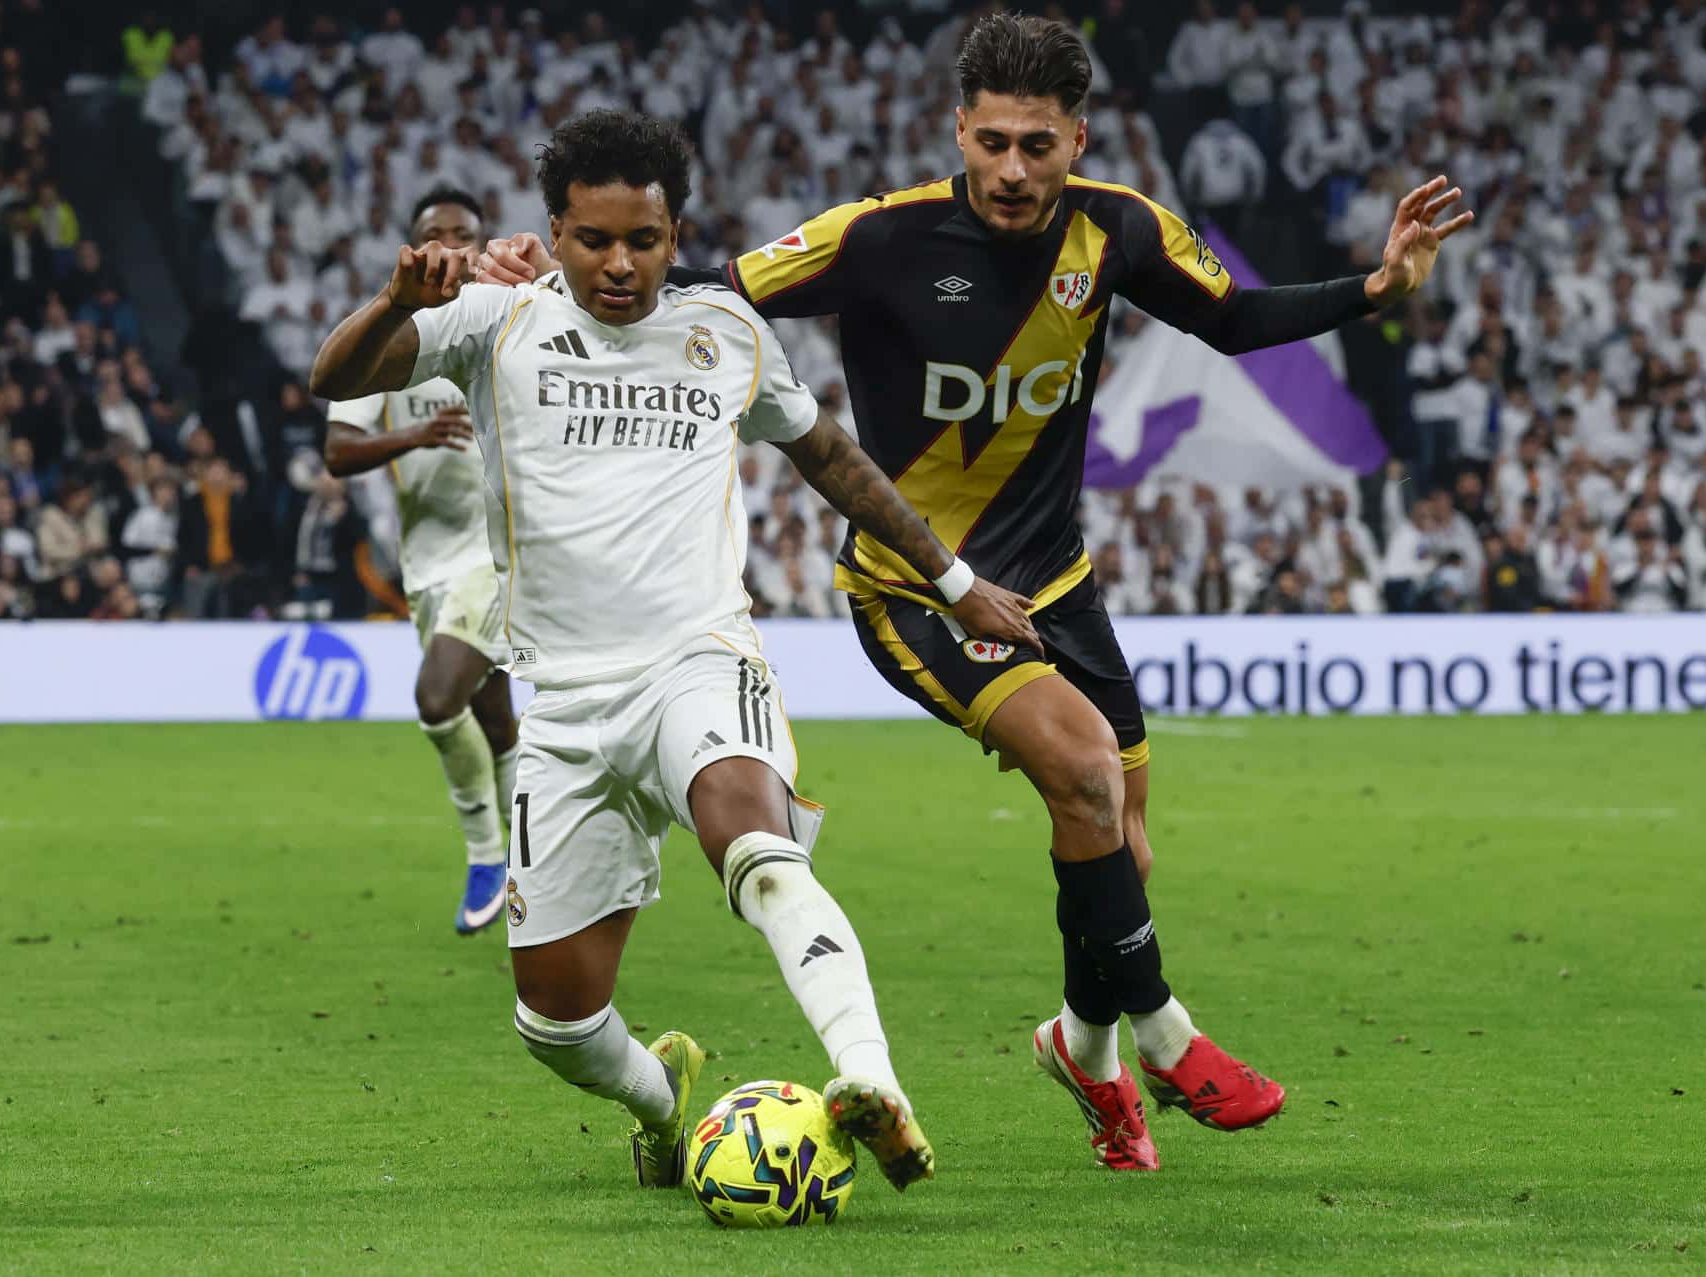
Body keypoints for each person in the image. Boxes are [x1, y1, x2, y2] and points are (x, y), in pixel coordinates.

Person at [480, 13, 1472, 1173]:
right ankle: (1165, 1035)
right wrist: (538, 271)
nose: (1011, 168)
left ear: (1076, 139)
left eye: (1037, 146)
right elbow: (693, 285)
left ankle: (1081, 1044)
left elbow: (1234, 322)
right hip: (924, 589)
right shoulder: (881, 238)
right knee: (1089, 769)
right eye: (992, 141)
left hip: (1057, 578)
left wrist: (1377, 282)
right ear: (960, 130)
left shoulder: (1120, 230)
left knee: (1118, 842)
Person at [308, 111, 1039, 1194]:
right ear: (553, 233)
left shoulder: (725, 331)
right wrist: (396, 304)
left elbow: (830, 455)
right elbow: (335, 379)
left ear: (674, 231)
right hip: (559, 699)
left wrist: (954, 580)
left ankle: (871, 1078)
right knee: (554, 1021)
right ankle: (660, 1096)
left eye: (643, 241)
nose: (620, 264)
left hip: (696, 657)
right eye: (595, 239)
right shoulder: (491, 317)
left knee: (754, 842)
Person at [323, 188, 521, 936]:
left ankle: (485, 853)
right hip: (428, 563)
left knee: (438, 698)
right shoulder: (384, 334)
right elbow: (339, 450)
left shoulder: (510, 317)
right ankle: (535, 857)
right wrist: (415, 436)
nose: (448, 243)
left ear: (481, 243)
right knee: (494, 720)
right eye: (433, 233)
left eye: (463, 233)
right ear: (412, 249)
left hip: (497, 557)